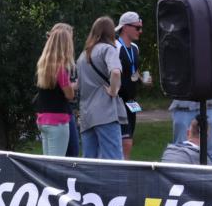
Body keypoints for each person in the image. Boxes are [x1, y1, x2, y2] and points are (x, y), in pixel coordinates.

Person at [76, 16, 126, 160]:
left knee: (90, 161)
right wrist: (113, 90)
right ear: (110, 32)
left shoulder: (82, 56)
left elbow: (78, 84)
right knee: (113, 160)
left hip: (86, 115)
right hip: (105, 113)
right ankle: (115, 184)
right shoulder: (108, 50)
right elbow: (116, 72)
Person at [33, 23, 77, 156]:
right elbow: (69, 95)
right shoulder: (61, 69)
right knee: (57, 163)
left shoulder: (44, 65)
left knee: (48, 161)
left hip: (43, 119)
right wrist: (74, 86)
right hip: (58, 120)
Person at [115, 11, 147, 159]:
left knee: (129, 141)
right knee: (124, 142)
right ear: (125, 27)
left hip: (131, 101)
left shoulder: (135, 48)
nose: (140, 31)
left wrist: (141, 79)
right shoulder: (115, 47)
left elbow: (133, 70)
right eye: (137, 28)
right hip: (118, 100)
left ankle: (124, 166)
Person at [169, 98, 212, 165]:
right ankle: (179, 174)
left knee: (211, 152)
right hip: (183, 103)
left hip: (210, 102)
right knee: (180, 150)